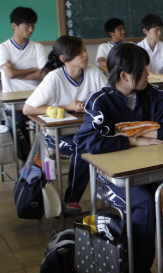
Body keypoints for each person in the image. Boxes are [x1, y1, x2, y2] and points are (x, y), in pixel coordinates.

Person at [72, 43, 163, 273]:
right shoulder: (101, 101)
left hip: (154, 171)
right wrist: (134, 142)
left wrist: (129, 133)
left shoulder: (154, 96)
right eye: (142, 70)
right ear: (124, 76)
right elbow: (86, 140)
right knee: (144, 203)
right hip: (111, 180)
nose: (148, 74)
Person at [22, 35, 108, 214]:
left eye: (84, 50)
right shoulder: (54, 78)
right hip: (57, 136)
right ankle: (73, 199)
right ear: (64, 59)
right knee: (83, 148)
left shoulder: (93, 72)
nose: (85, 55)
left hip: (86, 130)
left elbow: (109, 98)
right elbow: (28, 109)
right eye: (79, 53)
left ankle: (109, 193)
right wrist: (65, 107)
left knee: (97, 144)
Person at [0, 7, 47, 159]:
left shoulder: (37, 47)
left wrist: (18, 72)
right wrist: (32, 70)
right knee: (18, 124)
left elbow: (43, 74)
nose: (31, 29)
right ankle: (29, 161)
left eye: (33, 25)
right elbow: (10, 74)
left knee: (52, 119)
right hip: (13, 104)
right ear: (14, 25)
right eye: (27, 25)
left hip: (36, 100)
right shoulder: (3, 48)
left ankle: (45, 155)